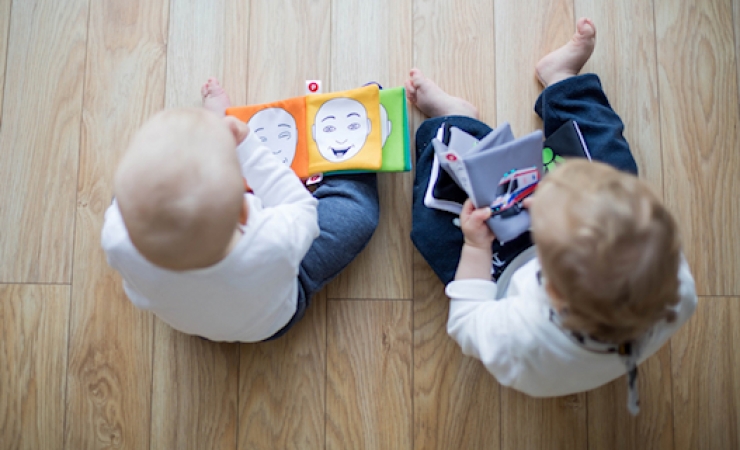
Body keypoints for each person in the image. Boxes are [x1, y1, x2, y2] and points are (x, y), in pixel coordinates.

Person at [406, 18, 697, 414]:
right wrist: (591, 193)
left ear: (550, 290)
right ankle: (561, 81)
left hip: (502, 270)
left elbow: (467, 321)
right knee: (611, 163)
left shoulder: (518, 334)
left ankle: (453, 121)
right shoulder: (676, 288)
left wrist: (476, 248)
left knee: (432, 226)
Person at [101, 78, 379, 342]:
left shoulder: (116, 237)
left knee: (166, 186)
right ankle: (353, 163)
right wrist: (249, 148)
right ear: (246, 210)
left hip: (193, 319)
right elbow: (298, 204)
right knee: (354, 214)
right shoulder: (272, 241)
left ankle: (211, 143)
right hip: (271, 319)